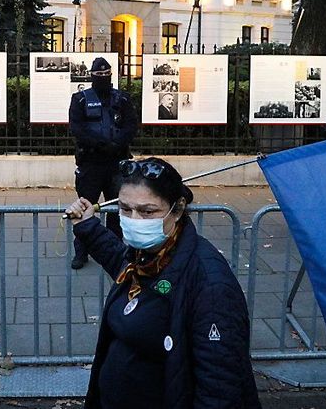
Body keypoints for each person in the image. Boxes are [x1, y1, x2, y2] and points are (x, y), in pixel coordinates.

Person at [64, 157, 261, 409]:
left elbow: (220, 387)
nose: (134, 220)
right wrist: (88, 227)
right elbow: (121, 262)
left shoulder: (210, 285)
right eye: (125, 209)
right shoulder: (148, 256)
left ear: (177, 209)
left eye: (148, 211)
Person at [68, 57, 138, 269]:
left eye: (106, 75)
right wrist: (100, 144)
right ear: (91, 76)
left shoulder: (122, 99)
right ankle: (81, 252)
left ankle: (115, 251)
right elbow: (77, 127)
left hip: (116, 163)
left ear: (111, 75)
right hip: (91, 164)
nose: (102, 79)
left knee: (115, 210)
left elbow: (131, 124)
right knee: (84, 207)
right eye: (98, 76)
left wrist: (117, 143)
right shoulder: (80, 99)